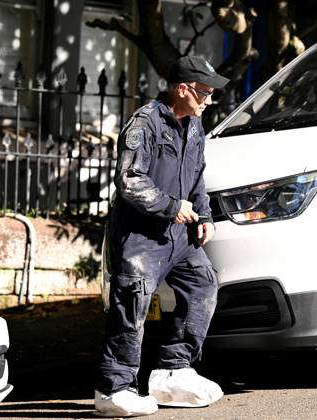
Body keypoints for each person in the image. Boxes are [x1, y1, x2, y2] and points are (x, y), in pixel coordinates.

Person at [95, 56, 229, 417]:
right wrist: (172, 207)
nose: (209, 100)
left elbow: (198, 177)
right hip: (141, 236)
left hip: (181, 236)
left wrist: (204, 216)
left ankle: (173, 371)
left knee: (202, 285)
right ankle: (113, 389)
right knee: (131, 306)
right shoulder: (145, 123)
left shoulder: (194, 125)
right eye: (204, 92)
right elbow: (130, 181)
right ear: (182, 88)